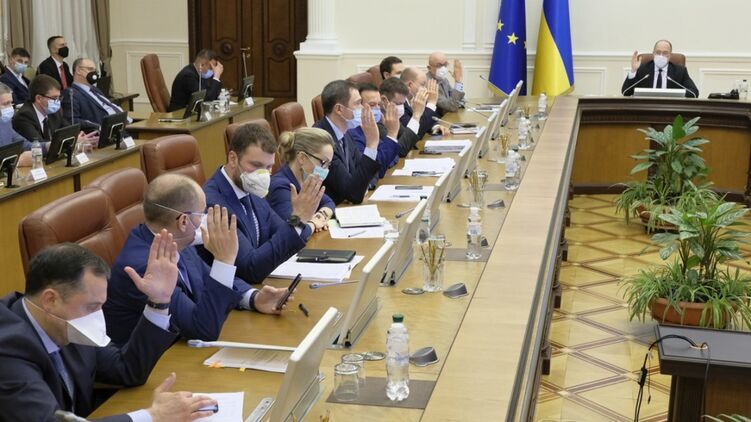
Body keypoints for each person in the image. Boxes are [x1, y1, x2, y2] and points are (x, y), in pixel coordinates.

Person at [0, 236, 221, 421]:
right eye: (92, 307)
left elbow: (126, 370)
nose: (97, 317)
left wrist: (159, 301)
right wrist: (152, 416)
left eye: (101, 306)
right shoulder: (8, 347)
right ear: (51, 300)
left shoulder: (63, 321)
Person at [106, 173, 289, 344]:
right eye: (202, 213)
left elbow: (207, 276)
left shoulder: (173, 239)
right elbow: (202, 329)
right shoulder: (144, 266)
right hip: (158, 361)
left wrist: (254, 298)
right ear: (184, 221)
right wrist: (224, 261)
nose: (206, 219)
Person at [202, 123, 322, 283]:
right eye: (256, 165)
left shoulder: (252, 187)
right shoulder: (213, 204)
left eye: (269, 167)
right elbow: (250, 269)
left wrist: (299, 220)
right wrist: (298, 220)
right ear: (233, 159)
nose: (263, 175)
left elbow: (287, 231)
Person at [313, 80, 382, 204]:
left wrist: (362, 185)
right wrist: (371, 144)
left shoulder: (345, 132)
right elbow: (353, 194)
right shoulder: (321, 141)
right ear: (339, 109)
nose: (362, 108)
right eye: (358, 103)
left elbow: (365, 170)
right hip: (330, 208)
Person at [268, 127, 336, 230]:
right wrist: (313, 224)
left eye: (328, 165)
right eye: (323, 163)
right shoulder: (279, 187)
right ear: (302, 158)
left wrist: (320, 216)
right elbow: (293, 228)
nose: (326, 170)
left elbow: (329, 203)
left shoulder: (306, 180)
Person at [12, 74, 98, 148]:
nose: (58, 102)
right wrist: (74, 142)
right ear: (39, 98)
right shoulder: (24, 116)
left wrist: (80, 137)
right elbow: (40, 146)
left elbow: (69, 131)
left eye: (59, 97)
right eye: (54, 98)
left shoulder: (53, 112)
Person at [61, 58, 130, 132]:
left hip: (124, 123)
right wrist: (98, 127)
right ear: (79, 71)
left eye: (95, 70)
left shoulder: (95, 89)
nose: (94, 73)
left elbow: (108, 106)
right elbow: (72, 120)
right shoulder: (71, 93)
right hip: (107, 130)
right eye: (90, 69)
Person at [621, 39, 699, 98]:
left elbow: (694, 93)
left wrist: (675, 94)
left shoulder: (680, 71)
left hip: (671, 109)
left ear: (670, 55)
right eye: (658, 52)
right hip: (646, 109)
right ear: (653, 53)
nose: (661, 56)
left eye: (665, 53)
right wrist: (633, 71)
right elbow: (626, 92)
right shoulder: (642, 69)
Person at [356, 83, 401, 176]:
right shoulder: (353, 132)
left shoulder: (376, 125)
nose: (377, 108)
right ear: (359, 106)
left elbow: (394, 157)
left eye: (379, 104)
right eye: (372, 105)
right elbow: (376, 169)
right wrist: (392, 132)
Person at [400, 66, 447, 139]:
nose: (425, 89)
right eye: (422, 85)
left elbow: (423, 119)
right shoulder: (399, 104)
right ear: (410, 85)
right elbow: (415, 132)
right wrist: (431, 103)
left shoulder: (414, 99)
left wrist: (435, 127)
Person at [0, 82, 32, 166]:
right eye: (5, 104)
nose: (10, 107)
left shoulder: (5, 122)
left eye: (11, 103)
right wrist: (17, 162)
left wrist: (47, 147)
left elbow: (24, 144)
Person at [426, 51, 465, 116]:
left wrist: (458, 83)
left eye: (445, 65)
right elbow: (452, 107)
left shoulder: (444, 80)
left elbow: (459, 100)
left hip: (448, 116)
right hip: (437, 120)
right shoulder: (428, 83)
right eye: (439, 65)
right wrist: (458, 82)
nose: (443, 68)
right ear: (429, 68)